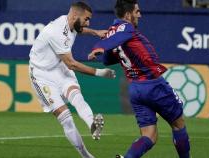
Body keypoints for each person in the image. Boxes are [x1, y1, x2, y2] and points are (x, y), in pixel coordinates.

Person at [88, 0, 190, 158]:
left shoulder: (112, 31)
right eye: (137, 11)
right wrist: (99, 47)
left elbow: (107, 60)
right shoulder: (125, 27)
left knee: (149, 135)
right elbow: (113, 41)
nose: (140, 15)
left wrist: (107, 46)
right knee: (178, 124)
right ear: (128, 15)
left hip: (136, 89)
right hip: (153, 84)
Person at [29, 1, 116, 158]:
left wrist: (95, 32)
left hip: (58, 67)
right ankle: (86, 156)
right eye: (86, 19)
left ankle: (92, 125)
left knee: (76, 97)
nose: (87, 22)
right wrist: (100, 73)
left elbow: (79, 30)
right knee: (66, 119)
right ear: (75, 15)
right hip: (42, 75)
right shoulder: (55, 32)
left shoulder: (70, 22)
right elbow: (72, 64)